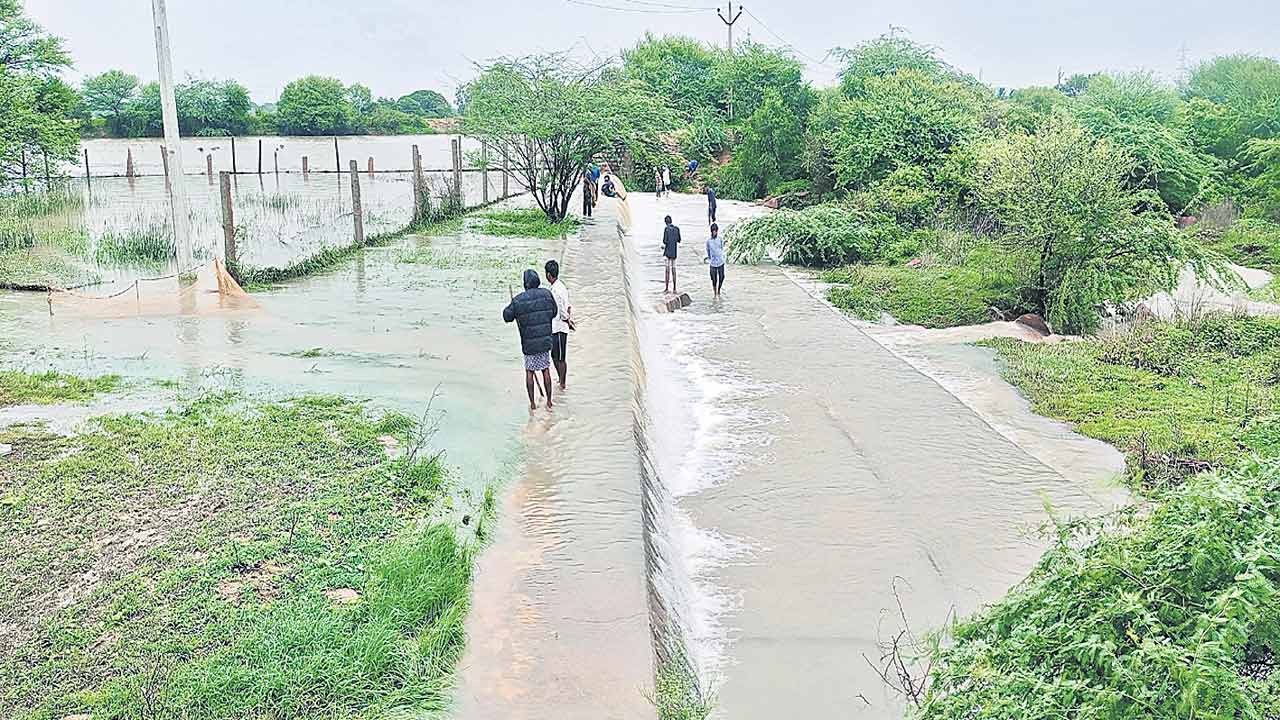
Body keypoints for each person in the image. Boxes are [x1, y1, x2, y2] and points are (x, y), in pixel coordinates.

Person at [503, 269, 558, 411]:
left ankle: (533, 404)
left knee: (530, 371)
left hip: (529, 343)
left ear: (525, 283)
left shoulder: (518, 300)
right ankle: (549, 402)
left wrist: (513, 308)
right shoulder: (547, 294)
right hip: (545, 341)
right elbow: (554, 312)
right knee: (546, 369)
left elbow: (507, 317)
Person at [545, 259, 574, 391]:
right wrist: (569, 319)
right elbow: (568, 307)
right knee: (555, 355)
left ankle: (563, 383)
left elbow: (562, 310)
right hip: (556, 327)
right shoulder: (560, 286)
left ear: (549, 275)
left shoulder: (555, 290)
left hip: (559, 328)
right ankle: (560, 379)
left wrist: (567, 320)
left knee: (560, 357)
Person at [662, 215, 681, 295]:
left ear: (666, 222)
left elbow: (664, 241)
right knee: (674, 270)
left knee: (667, 270)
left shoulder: (666, 229)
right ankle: (674, 288)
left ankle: (666, 288)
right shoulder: (677, 229)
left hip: (667, 253)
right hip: (674, 253)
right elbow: (679, 240)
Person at [705, 223, 725, 299]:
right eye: (713, 231)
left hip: (720, 261)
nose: (715, 233)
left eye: (716, 231)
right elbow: (708, 251)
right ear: (711, 232)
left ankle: (719, 289)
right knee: (713, 279)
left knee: (722, 277)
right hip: (713, 263)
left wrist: (721, 256)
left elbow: (722, 248)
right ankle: (714, 291)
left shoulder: (720, 239)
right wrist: (710, 258)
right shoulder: (708, 241)